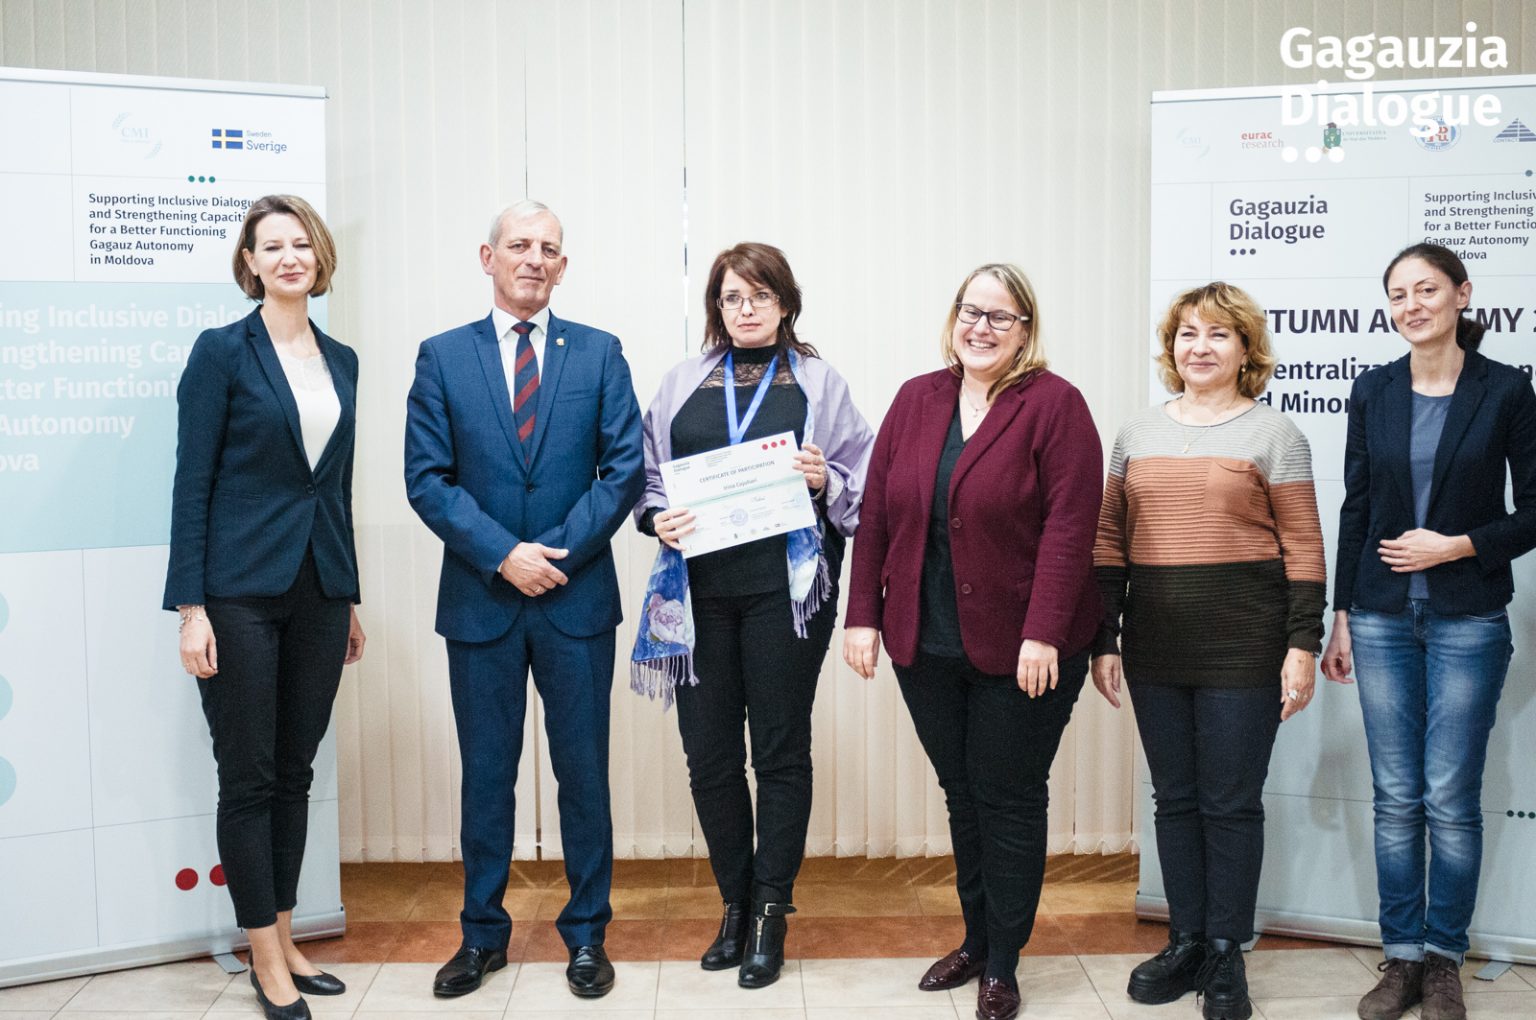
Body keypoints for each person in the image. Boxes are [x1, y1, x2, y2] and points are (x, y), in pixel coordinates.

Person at [842, 264, 1102, 1020]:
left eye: (1000, 316)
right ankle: (978, 940)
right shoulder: (917, 398)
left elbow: (1070, 530)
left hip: (1025, 649)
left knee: (1008, 798)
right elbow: (877, 514)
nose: (981, 327)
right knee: (963, 795)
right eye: (971, 311)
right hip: (925, 643)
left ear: (1026, 329)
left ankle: (1005, 965)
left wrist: (1044, 632)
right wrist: (862, 615)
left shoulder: (1055, 405)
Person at [404, 200, 643, 1002]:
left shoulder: (601, 353)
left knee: (584, 777)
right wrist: (505, 555)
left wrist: (554, 556)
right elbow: (426, 479)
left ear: (563, 267)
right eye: (519, 245)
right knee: (486, 777)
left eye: (548, 248)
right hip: (482, 601)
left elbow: (623, 470)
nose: (533, 258)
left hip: (577, 601)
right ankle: (481, 936)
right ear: (488, 257)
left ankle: (587, 936)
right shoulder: (443, 357)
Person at [630, 242, 874, 988]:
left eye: (760, 295)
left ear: (785, 303)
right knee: (708, 756)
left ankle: (771, 910)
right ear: (717, 306)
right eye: (732, 297)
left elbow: (863, 480)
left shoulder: (819, 381)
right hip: (696, 595)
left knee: (778, 751)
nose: (745, 308)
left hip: (785, 596)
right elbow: (648, 476)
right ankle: (734, 904)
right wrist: (656, 517)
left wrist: (823, 477)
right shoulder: (682, 382)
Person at [1090, 282, 1326, 1020]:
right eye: (1188, 333)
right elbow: (1109, 540)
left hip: (1245, 647)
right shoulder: (1136, 433)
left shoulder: (1275, 435)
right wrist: (1103, 637)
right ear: (1172, 347)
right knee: (1176, 798)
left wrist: (1302, 644)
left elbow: (1304, 546)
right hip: (1156, 644)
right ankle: (1186, 939)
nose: (1200, 347)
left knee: (1229, 803)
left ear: (1246, 349)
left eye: (1219, 334)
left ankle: (1226, 949)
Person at [164, 194, 365, 1020]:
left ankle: (284, 936)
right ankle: (264, 958)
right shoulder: (221, 352)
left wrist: (348, 593)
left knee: (295, 772)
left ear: (319, 255)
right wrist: (191, 608)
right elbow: (192, 483)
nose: (290, 258)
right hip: (237, 593)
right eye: (272, 246)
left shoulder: (343, 359)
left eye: (301, 243)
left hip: (320, 590)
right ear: (250, 263)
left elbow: (335, 489)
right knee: (248, 778)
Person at [1323, 243, 1536, 1020]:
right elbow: (1356, 506)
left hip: (1467, 617)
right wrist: (1340, 615)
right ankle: (1402, 957)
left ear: (1462, 294)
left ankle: (1444, 957)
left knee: (1448, 795)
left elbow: (1535, 509)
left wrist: (1460, 545)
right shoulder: (1373, 389)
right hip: (1379, 617)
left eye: (1427, 289)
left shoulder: (1505, 388)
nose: (1411, 305)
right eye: (1398, 294)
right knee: (1395, 796)